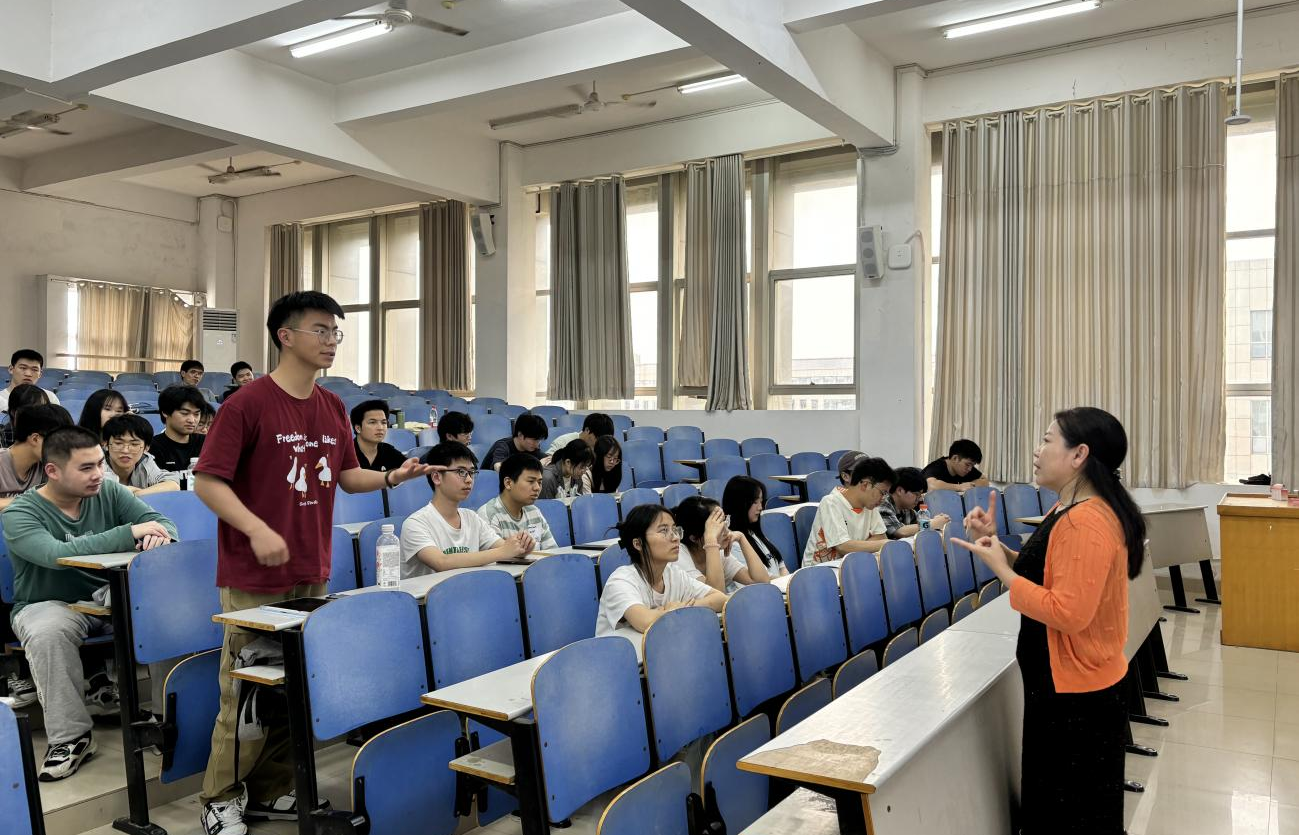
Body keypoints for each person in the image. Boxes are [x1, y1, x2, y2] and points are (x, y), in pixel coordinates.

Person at [196, 291, 433, 835]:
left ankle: (271, 787)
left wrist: (392, 476)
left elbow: (346, 475)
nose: (331, 341)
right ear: (286, 336)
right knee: (245, 694)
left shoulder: (329, 406)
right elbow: (209, 481)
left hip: (311, 567)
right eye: (321, 330)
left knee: (291, 689)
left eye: (335, 332)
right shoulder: (247, 404)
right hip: (254, 573)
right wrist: (257, 529)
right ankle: (218, 797)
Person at [952, 407, 1145, 835]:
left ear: (1079, 455)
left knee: (1069, 814)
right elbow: (1046, 573)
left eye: (1046, 440)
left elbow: (1068, 612)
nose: (1037, 451)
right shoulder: (1068, 507)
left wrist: (1002, 573)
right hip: (1067, 683)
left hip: (1077, 695)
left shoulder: (1085, 521)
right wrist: (997, 546)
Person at [4, 426, 176, 780]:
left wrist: (157, 538)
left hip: (111, 594)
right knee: (48, 633)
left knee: (168, 616)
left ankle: (164, 722)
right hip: (48, 603)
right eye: (86, 468)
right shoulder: (20, 513)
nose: (99, 473)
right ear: (52, 470)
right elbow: (56, 554)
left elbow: (162, 523)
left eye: (99, 463)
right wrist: (129, 533)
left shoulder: (108, 491)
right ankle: (71, 738)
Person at [400, 442, 533, 577]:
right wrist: (504, 552)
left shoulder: (472, 518)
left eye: (472, 472)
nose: (469, 479)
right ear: (436, 477)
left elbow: (504, 547)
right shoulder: (415, 523)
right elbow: (441, 562)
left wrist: (522, 547)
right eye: (461, 472)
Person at [596, 504, 727, 637]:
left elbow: (721, 599)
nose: (675, 537)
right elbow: (644, 622)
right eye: (664, 530)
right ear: (638, 544)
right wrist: (674, 611)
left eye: (675, 529)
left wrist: (682, 607)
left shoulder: (674, 574)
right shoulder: (620, 580)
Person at [804, 456, 895, 565]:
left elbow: (881, 536)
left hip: (851, 565)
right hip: (820, 570)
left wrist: (855, 547)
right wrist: (885, 543)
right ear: (865, 485)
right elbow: (843, 546)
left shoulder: (870, 505)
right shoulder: (831, 502)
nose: (884, 498)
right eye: (883, 492)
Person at [674, 495, 771, 593]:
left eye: (725, 522)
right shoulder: (679, 557)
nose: (727, 531)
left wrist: (742, 538)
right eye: (716, 528)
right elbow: (715, 595)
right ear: (694, 538)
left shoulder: (718, 553)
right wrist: (711, 541)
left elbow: (762, 582)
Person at [476, 453, 559, 550]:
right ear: (508, 483)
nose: (537, 488)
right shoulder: (489, 515)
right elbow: (496, 557)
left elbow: (552, 551)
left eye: (540, 482)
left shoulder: (534, 512)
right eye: (531, 481)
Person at [0, 404, 74, 509]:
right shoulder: (2, 463)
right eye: (59, 442)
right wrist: (31, 501)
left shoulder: (46, 466)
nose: (64, 449)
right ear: (35, 439)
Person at [721, 476, 788, 578]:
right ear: (739, 503)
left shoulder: (753, 532)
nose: (760, 507)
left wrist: (786, 581)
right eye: (755, 502)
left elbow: (781, 565)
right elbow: (762, 579)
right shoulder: (732, 541)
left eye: (761, 501)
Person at [101, 415, 182, 495]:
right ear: (105, 444)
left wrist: (137, 494)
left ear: (146, 448)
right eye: (118, 443)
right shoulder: (98, 463)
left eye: (134, 444)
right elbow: (107, 492)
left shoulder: (144, 461)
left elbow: (173, 485)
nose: (125, 450)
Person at [878, 466, 950, 539]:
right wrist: (931, 524)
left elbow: (919, 524)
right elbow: (899, 531)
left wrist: (937, 520)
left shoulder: (907, 509)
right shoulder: (884, 505)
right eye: (916, 494)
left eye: (920, 495)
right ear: (900, 491)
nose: (920, 499)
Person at [150, 386, 207, 472]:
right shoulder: (152, 447)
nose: (192, 420)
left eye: (196, 414)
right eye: (184, 413)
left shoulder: (206, 443)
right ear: (165, 412)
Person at [350, 399, 406, 472]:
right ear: (358, 428)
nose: (380, 428)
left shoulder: (389, 451)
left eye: (383, 423)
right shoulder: (345, 454)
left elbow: (410, 469)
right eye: (372, 422)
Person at [482, 413, 548, 472]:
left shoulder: (532, 448)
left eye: (539, 440)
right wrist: (536, 466)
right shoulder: (502, 446)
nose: (537, 444)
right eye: (534, 440)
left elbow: (547, 459)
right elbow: (499, 468)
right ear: (520, 435)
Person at [923, 439, 989, 493]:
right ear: (955, 458)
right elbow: (931, 486)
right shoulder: (936, 467)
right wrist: (959, 487)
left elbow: (985, 481)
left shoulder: (966, 469)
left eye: (972, 465)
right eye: (967, 464)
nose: (970, 469)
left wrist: (970, 485)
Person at [545, 413, 614, 456]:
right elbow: (547, 463)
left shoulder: (602, 448)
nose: (600, 443)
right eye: (598, 439)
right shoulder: (563, 442)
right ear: (587, 430)